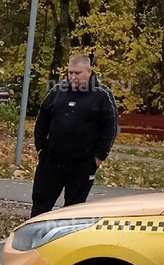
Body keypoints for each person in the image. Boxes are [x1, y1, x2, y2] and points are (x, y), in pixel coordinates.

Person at [31, 54, 118, 218]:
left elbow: (110, 127)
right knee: (40, 203)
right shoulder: (57, 91)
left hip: (82, 163)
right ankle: (36, 240)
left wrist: (99, 157)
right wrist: (41, 148)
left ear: (89, 71)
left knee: (73, 209)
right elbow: (42, 119)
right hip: (51, 161)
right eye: (70, 72)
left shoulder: (101, 95)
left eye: (77, 73)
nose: (72, 76)